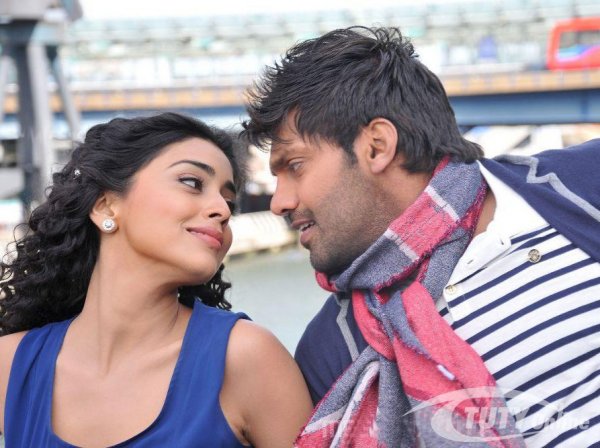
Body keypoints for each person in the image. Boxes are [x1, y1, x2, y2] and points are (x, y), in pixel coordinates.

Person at [242, 26, 600, 447]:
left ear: (377, 146)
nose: (279, 202)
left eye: (295, 166)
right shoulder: (333, 350)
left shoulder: (578, 187)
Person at [0, 112, 312, 447]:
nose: (222, 211)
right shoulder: (11, 364)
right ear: (105, 207)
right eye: (192, 183)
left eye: (229, 202)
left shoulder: (246, 359)